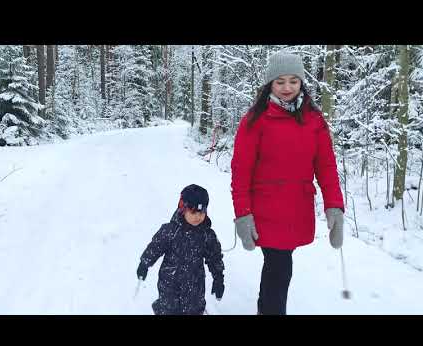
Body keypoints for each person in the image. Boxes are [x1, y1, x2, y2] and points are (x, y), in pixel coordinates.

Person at [231, 51, 345, 315]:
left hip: (297, 210)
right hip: (265, 212)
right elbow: (241, 172)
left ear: (301, 82)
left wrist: (334, 207)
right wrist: (243, 215)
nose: (287, 88)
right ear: (270, 83)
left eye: (293, 81)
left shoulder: (315, 121)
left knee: (278, 268)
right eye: (280, 81)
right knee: (279, 268)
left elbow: (326, 167)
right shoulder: (254, 121)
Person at [137, 184, 225, 315]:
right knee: (168, 310)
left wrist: (218, 278)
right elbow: (155, 247)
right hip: (169, 285)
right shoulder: (171, 231)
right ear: (183, 209)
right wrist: (144, 263)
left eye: (202, 212)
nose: (198, 217)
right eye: (193, 212)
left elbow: (214, 257)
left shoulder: (207, 235)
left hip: (195, 288)